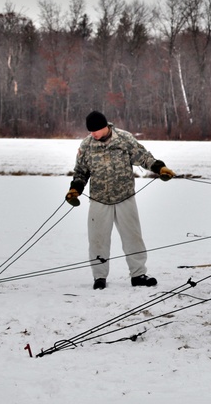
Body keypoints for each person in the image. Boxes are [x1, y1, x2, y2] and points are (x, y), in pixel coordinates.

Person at [65, 111, 175, 290]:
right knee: (97, 240)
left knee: (133, 237)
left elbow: (143, 156)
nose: (93, 134)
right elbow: (81, 172)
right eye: (90, 131)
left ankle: (138, 274)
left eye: (96, 131)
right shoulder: (86, 145)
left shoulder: (124, 139)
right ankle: (99, 277)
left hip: (125, 197)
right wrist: (75, 189)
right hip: (99, 199)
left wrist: (159, 167)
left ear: (105, 126)